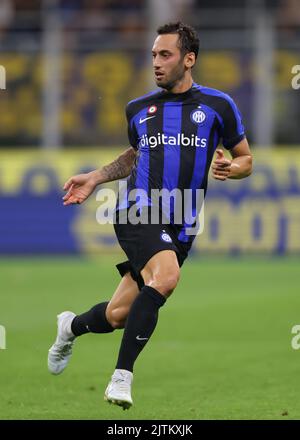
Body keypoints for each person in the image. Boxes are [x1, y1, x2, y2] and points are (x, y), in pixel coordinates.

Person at [48, 21, 252, 410]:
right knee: (168, 277)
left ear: (188, 59)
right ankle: (121, 378)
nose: (156, 63)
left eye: (165, 55)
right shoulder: (138, 109)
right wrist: (96, 177)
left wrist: (232, 169)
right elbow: (134, 156)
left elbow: (246, 158)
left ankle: (70, 326)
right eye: (153, 55)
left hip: (183, 224)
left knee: (119, 314)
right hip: (137, 211)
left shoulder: (219, 106)